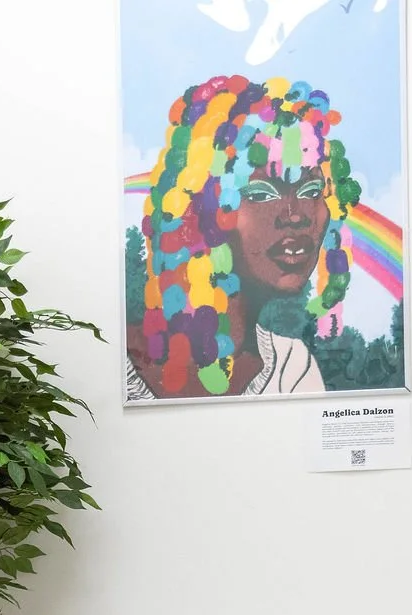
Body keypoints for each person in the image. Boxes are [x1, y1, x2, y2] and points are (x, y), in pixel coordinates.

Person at [126, 74, 359, 401]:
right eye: (262, 193)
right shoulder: (121, 363)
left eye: (311, 190)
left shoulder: (293, 367)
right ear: (201, 210)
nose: (295, 214)